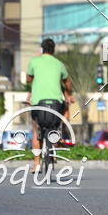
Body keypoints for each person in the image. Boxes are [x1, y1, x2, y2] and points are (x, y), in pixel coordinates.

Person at [26, 38, 72, 172]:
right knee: (65, 111)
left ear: (42, 49)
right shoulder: (59, 64)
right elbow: (67, 82)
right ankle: (60, 136)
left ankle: (36, 164)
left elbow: (28, 79)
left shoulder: (34, 61)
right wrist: (68, 93)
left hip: (38, 104)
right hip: (56, 105)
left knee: (36, 130)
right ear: (54, 50)